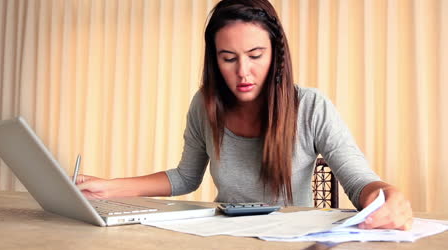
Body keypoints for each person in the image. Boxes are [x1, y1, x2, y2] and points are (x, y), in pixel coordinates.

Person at [77, 0, 412, 230]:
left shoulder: (311, 107)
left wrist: (387, 197)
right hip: (223, 236)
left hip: (290, 238)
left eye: (255, 55)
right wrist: (107, 188)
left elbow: (358, 181)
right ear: (214, 60)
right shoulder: (204, 105)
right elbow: (185, 178)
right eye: (228, 58)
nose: (243, 72)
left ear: (276, 56)